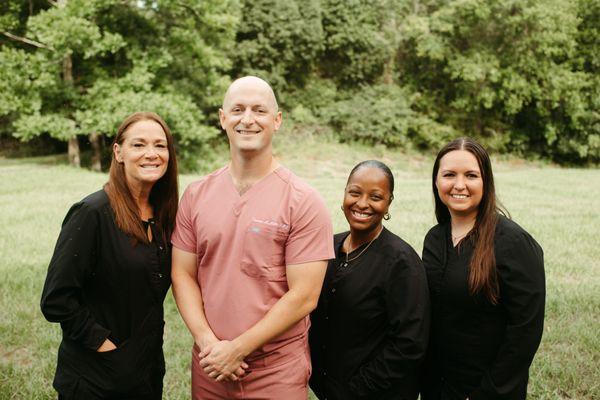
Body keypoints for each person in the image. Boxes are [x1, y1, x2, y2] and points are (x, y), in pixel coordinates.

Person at [170, 76, 334, 399]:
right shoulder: (196, 195)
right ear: (222, 118)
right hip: (210, 366)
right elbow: (182, 273)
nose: (247, 119)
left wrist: (238, 349)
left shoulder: (302, 200)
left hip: (275, 371)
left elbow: (304, 296)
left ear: (277, 120)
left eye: (259, 110)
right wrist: (209, 344)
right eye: (238, 109)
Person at [40, 111, 178, 399]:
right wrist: (105, 345)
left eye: (160, 145)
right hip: (95, 377)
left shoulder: (164, 216)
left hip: (146, 372)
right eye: (139, 145)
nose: (151, 153)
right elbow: (56, 299)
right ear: (118, 152)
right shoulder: (92, 213)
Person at [420, 137, 545, 400]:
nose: (459, 184)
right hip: (438, 386)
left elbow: (524, 332)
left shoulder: (513, 243)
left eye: (471, 175)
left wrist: (487, 393)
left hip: (488, 389)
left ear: (485, 181)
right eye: (449, 174)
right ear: (436, 181)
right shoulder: (434, 238)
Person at [309, 160, 431, 400]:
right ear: (344, 194)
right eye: (354, 193)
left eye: (375, 197)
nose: (362, 203)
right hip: (328, 389)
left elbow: (410, 343)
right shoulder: (327, 248)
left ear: (388, 204)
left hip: (374, 392)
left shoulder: (401, 262)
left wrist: (358, 389)